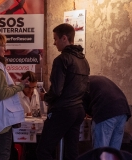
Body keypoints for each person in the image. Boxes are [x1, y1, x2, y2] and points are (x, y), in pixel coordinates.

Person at [36, 23, 90, 160]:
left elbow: (56, 90)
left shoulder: (61, 60)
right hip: (78, 110)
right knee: (71, 152)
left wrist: (45, 97)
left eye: (55, 39)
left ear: (64, 38)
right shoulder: (84, 61)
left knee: (43, 150)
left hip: (63, 110)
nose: (54, 43)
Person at [82, 75, 131, 150]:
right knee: (114, 152)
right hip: (123, 110)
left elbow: (82, 108)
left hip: (106, 111)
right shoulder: (94, 79)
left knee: (100, 150)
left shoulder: (81, 85)